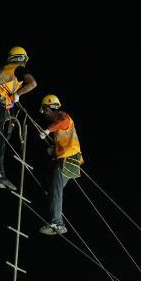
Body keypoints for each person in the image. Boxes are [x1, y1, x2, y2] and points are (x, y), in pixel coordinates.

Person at [0, 47, 36, 190]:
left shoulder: (3, 69)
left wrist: (12, 99)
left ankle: (1, 176)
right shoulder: (18, 68)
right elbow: (32, 83)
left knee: (1, 140)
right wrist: (17, 95)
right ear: (21, 58)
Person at [37, 95, 83, 236]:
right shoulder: (56, 125)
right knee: (51, 185)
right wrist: (53, 149)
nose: (44, 113)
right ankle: (56, 219)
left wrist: (48, 130)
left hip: (69, 159)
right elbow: (63, 141)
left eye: (45, 110)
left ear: (51, 107)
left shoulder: (62, 117)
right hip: (65, 159)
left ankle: (58, 223)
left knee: (56, 188)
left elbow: (65, 123)